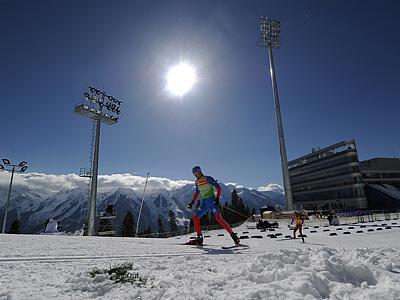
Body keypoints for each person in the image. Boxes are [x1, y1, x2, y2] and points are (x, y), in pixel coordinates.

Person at [187, 166, 240, 245]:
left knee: (219, 218)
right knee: (195, 218)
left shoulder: (208, 178)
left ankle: (234, 236)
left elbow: (218, 188)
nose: (195, 175)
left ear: (200, 172)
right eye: (194, 174)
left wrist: (217, 198)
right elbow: (197, 192)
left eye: (196, 173)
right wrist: (192, 202)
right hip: (204, 204)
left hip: (212, 202)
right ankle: (199, 238)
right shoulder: (197, 182)